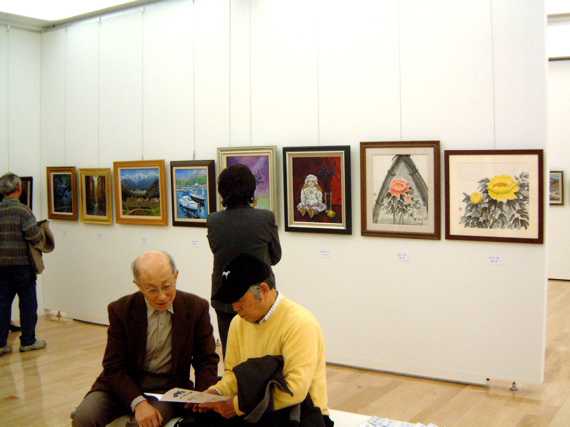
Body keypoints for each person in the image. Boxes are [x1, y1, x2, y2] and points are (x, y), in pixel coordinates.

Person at [72, 251, 220, 427]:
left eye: (167, 286)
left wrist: (202, 396)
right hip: (124, 385)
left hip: (168, 389)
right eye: (152, 289)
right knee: (84, 417)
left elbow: (206, 359)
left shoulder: (196, 308)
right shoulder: (121, 310)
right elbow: (113, 366)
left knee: (144, 424)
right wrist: (138, 402)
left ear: (176, 276)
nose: (162, 296)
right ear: (139, 286)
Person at [193, 253, 332, 427]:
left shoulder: (300, 323)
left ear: (263, 290)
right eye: (231, 301)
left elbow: (295, 390)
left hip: (300, 413)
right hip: (254, 408)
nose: (235, 307)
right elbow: (233, 375)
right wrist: (216, 392)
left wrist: (237, 406)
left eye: (239, 299)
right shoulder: (238, 323)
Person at [207, 164, 281, 356]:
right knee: (264, 354)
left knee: (231, 353)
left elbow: (218, 251)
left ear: (222, 191)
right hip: (259, 295)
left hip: (226, 295)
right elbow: (275, 257)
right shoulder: (265, 218)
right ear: (251, 188)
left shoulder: (213, 221)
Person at [0, 172, 46, 356]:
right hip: (22, 266)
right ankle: (28, 341)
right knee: (28, 303)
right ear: (19, 188)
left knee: (2, 304)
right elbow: (34, 236)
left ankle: (1, 344)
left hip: (1, 266)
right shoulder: (23, 211)